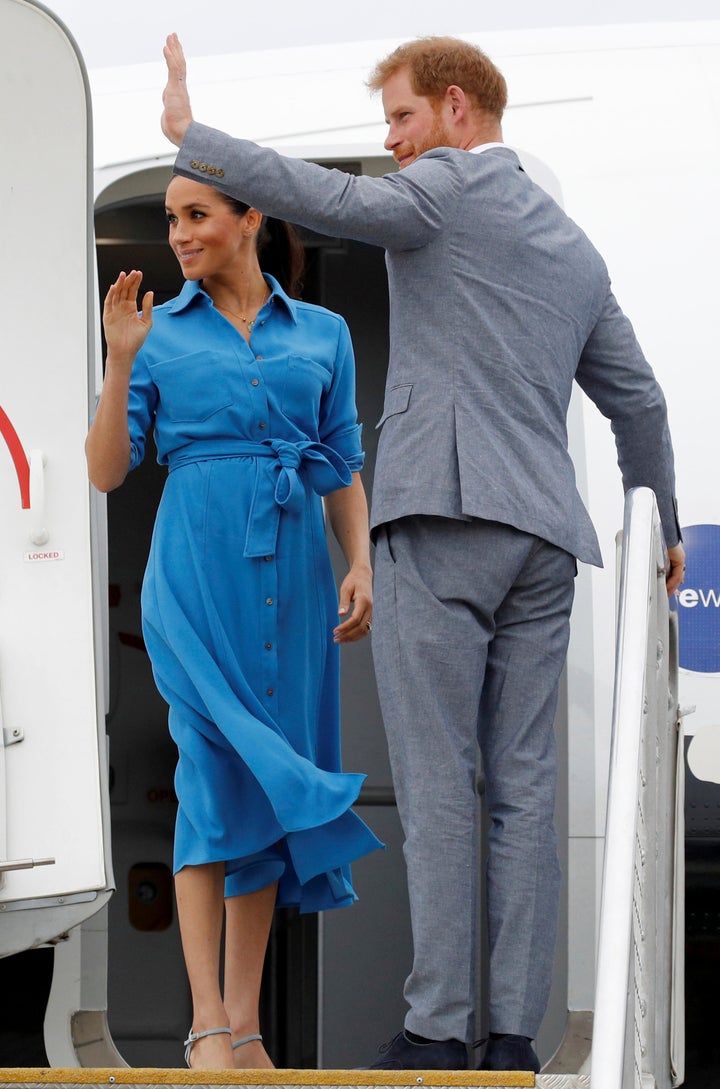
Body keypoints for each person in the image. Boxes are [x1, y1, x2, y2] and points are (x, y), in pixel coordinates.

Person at [159, 33, 686, 1073]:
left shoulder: (443, 187)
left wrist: (195, 139)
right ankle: (508, 1038)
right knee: (525, 790)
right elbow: (640, 400)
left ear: (456, 109)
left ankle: (441, 1027)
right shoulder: (573, 247)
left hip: (441, 519)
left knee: (442, 781)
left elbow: (333, 204)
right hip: (543, 539)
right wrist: (662, 523)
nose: (390, 142)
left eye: (400, 117)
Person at [86, 176, 382, 1071]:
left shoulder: (324, 334)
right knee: (210, 775)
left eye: (196, 216)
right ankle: (205, 1020)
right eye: (172, 219)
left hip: (294, 576)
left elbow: (340, 465)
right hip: (193, 576)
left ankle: (245, 1024)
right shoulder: (158, 332)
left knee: (264, 785)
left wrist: (362, 561)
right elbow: (105, 472)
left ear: (249, 218)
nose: (177, 234)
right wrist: (120, 359)